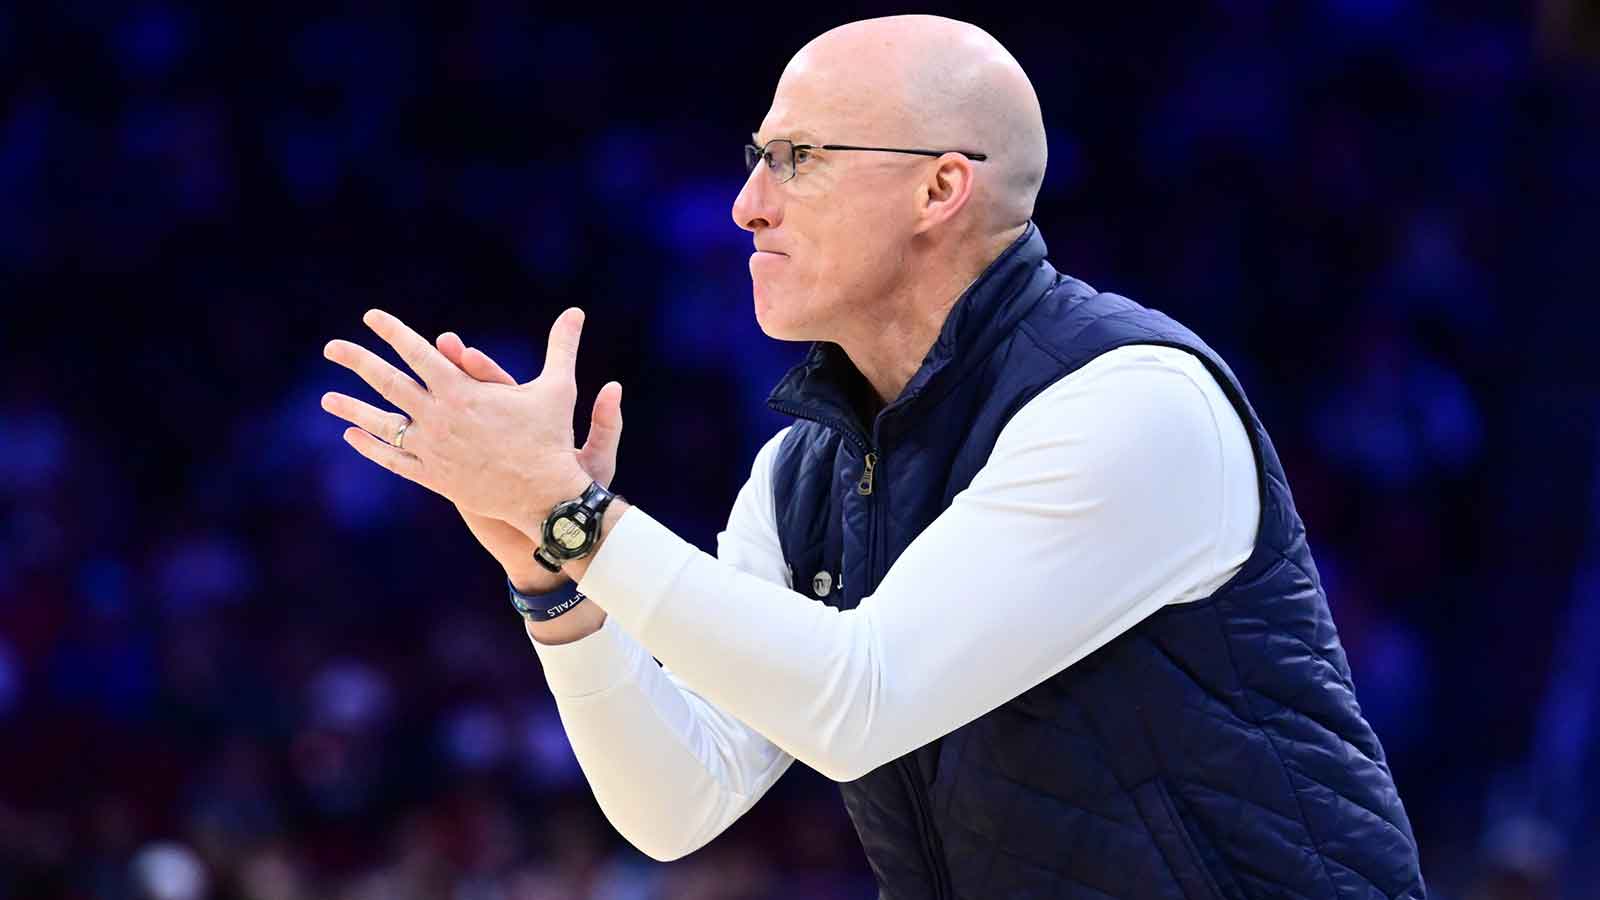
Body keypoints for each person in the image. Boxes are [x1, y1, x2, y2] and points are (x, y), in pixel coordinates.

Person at [320, 14, 1426, 899]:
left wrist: (575, 512)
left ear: (939, 188)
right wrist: (552, 578)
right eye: (754, 160)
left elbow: (860, 700)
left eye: (795, 159)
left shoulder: (1134, 407)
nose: (748, 205)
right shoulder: (804, 469)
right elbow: (676, 805)